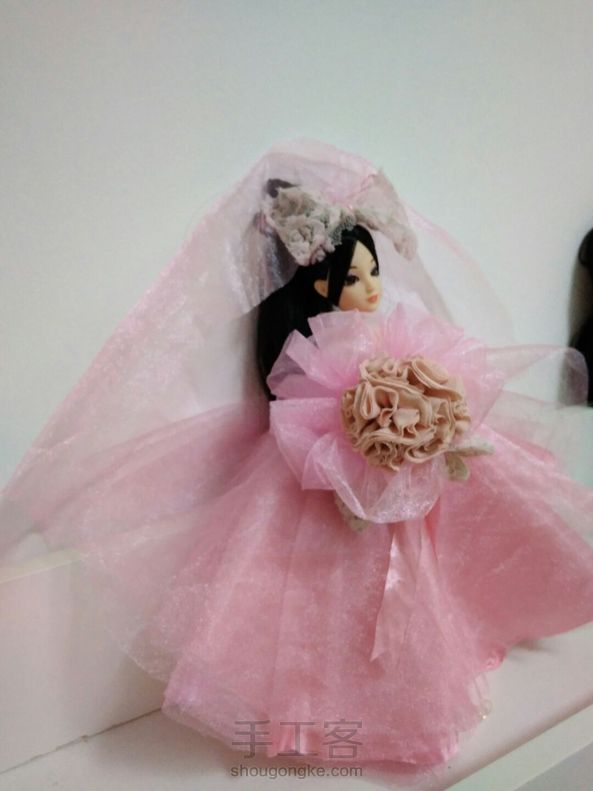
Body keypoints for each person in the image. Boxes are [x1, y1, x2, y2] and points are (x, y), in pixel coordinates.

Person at [2, 140, 593, 778]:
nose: (372, 289)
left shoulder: (390, 331)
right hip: (332, 478)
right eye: (355, 279)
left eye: (373, 273)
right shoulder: (311, 353)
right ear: (317, 284)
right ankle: (334, 711)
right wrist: (377, 434)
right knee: (328, 600)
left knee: (425, 567)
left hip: (391, 473)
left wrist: (423, 422)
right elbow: (318, 412)